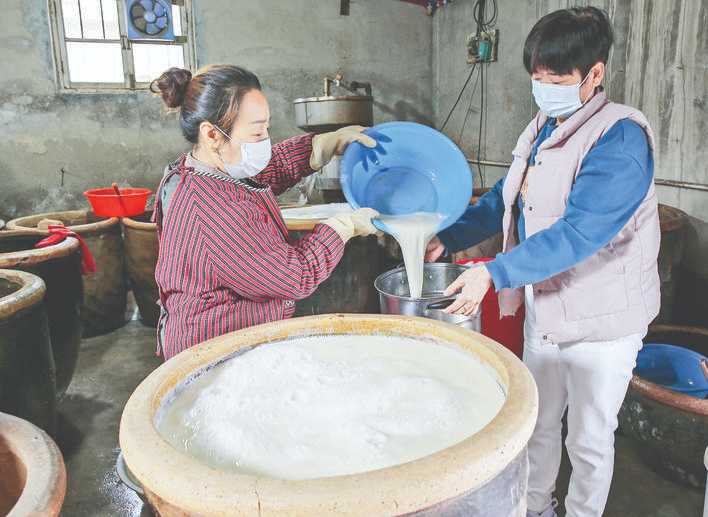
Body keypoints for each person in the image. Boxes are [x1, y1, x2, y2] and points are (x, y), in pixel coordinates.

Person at [426, 7, 659, 517]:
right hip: (547, 306)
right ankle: (535, 507)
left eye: (556, 79)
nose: (544, 88)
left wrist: (495, 271)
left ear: (594, 74)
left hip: (602, 321)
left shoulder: (619, 139)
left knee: (590, 438)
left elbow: (578, 234)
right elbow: (505, 200)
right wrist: (450, 236)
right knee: (538, 420)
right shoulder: (542, 126)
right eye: (536, 78)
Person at [150, 65, 379, 360]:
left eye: (266, 128)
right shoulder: (213, 211)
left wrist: (320, 146)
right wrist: (342, 226)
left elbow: (266, 171)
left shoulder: (201, 169)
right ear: (211, 134)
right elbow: (296, 275)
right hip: (213, 350)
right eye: (257, 131)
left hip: (228, 333)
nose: (265, 139)